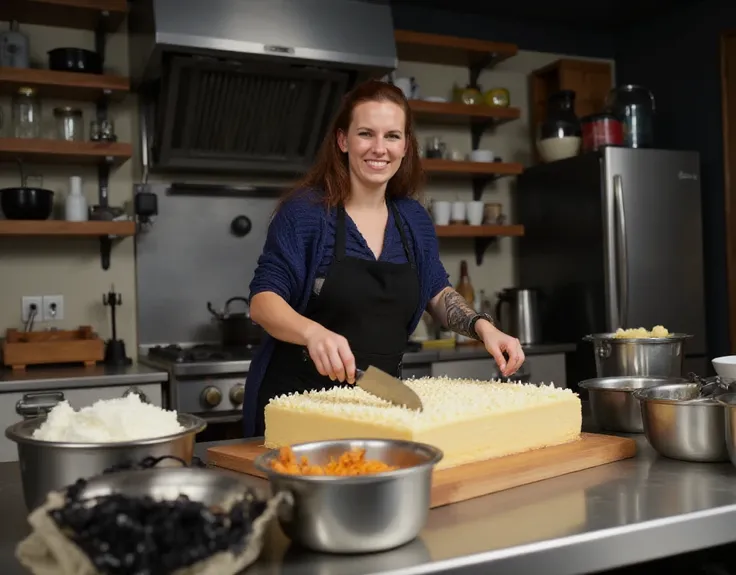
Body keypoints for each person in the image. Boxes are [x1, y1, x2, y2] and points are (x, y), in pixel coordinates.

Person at [243, 79, 525, 437]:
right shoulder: (307, 213)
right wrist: (312, 333)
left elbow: (436, 292)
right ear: (343, 141)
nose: (380, 148)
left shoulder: (413, 218)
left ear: (406, 146)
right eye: (366, 134)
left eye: (392, 136)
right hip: (298, 406)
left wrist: (484, 328)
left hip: (378, 404)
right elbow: (263, 302)